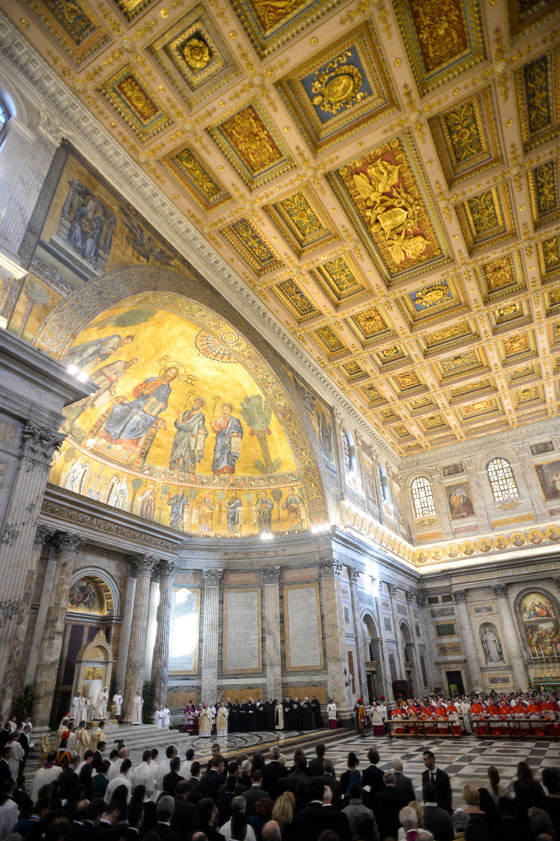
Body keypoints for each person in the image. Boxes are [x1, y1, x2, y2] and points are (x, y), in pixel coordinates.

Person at [169, 398, 208, 473]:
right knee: (177, 453)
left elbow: (201, 426)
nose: (195, 404)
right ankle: (175, 472)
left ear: (201, 405)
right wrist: (180, 417)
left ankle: (183, 473)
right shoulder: (187, 412)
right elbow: (179, 423)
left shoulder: (200, 416)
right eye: (195, 402)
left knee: (183, 454)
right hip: (180, 435)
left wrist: (202, 431)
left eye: (198, 403)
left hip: (190, 438)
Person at [211, 403, 243, 476]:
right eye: (224, 410)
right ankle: (217, 476)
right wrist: (213, 425)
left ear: (231, 411)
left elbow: (239, 430)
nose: (225, 412)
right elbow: (217, 430)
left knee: (230, 458)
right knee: (217, 456)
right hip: (220, 441)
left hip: (230, 441)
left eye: (227, 410)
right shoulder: (219, 420)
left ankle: (231, 477)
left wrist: (235, 432)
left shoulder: (235, 420)